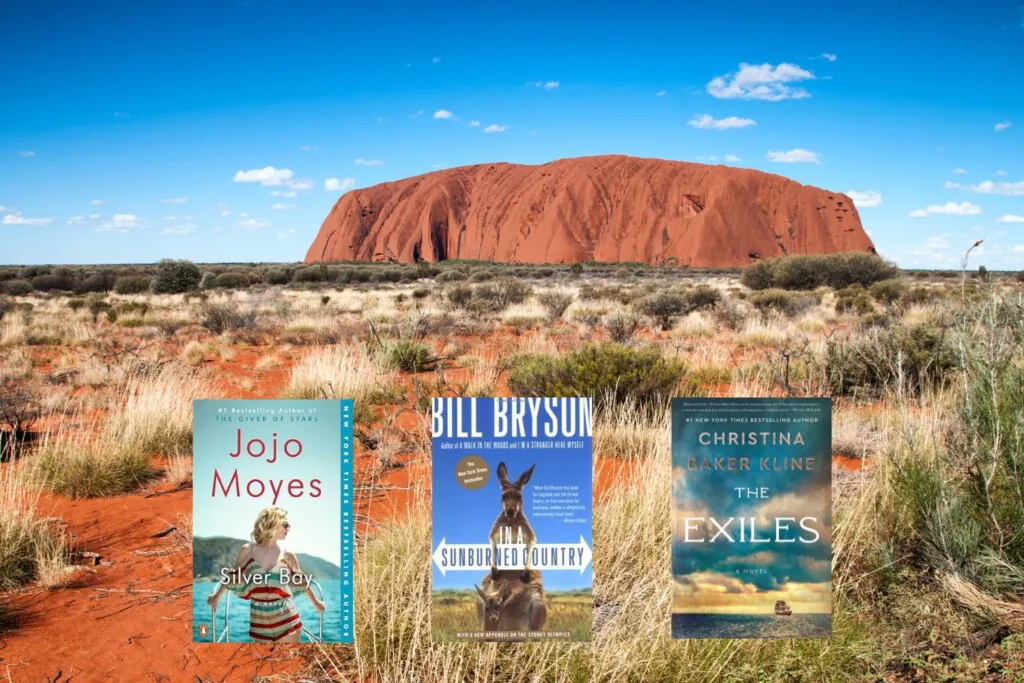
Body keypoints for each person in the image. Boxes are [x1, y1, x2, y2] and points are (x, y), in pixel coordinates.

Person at [207, 506, 325, 642]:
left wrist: (316, 603)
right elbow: (233, 577)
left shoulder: (288, 554)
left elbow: (302, 583)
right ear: (273, 523)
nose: (288, 529)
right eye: (285, 525)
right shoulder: (247, 550)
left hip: (288, 619)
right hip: (259, 621)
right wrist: (216, 598)